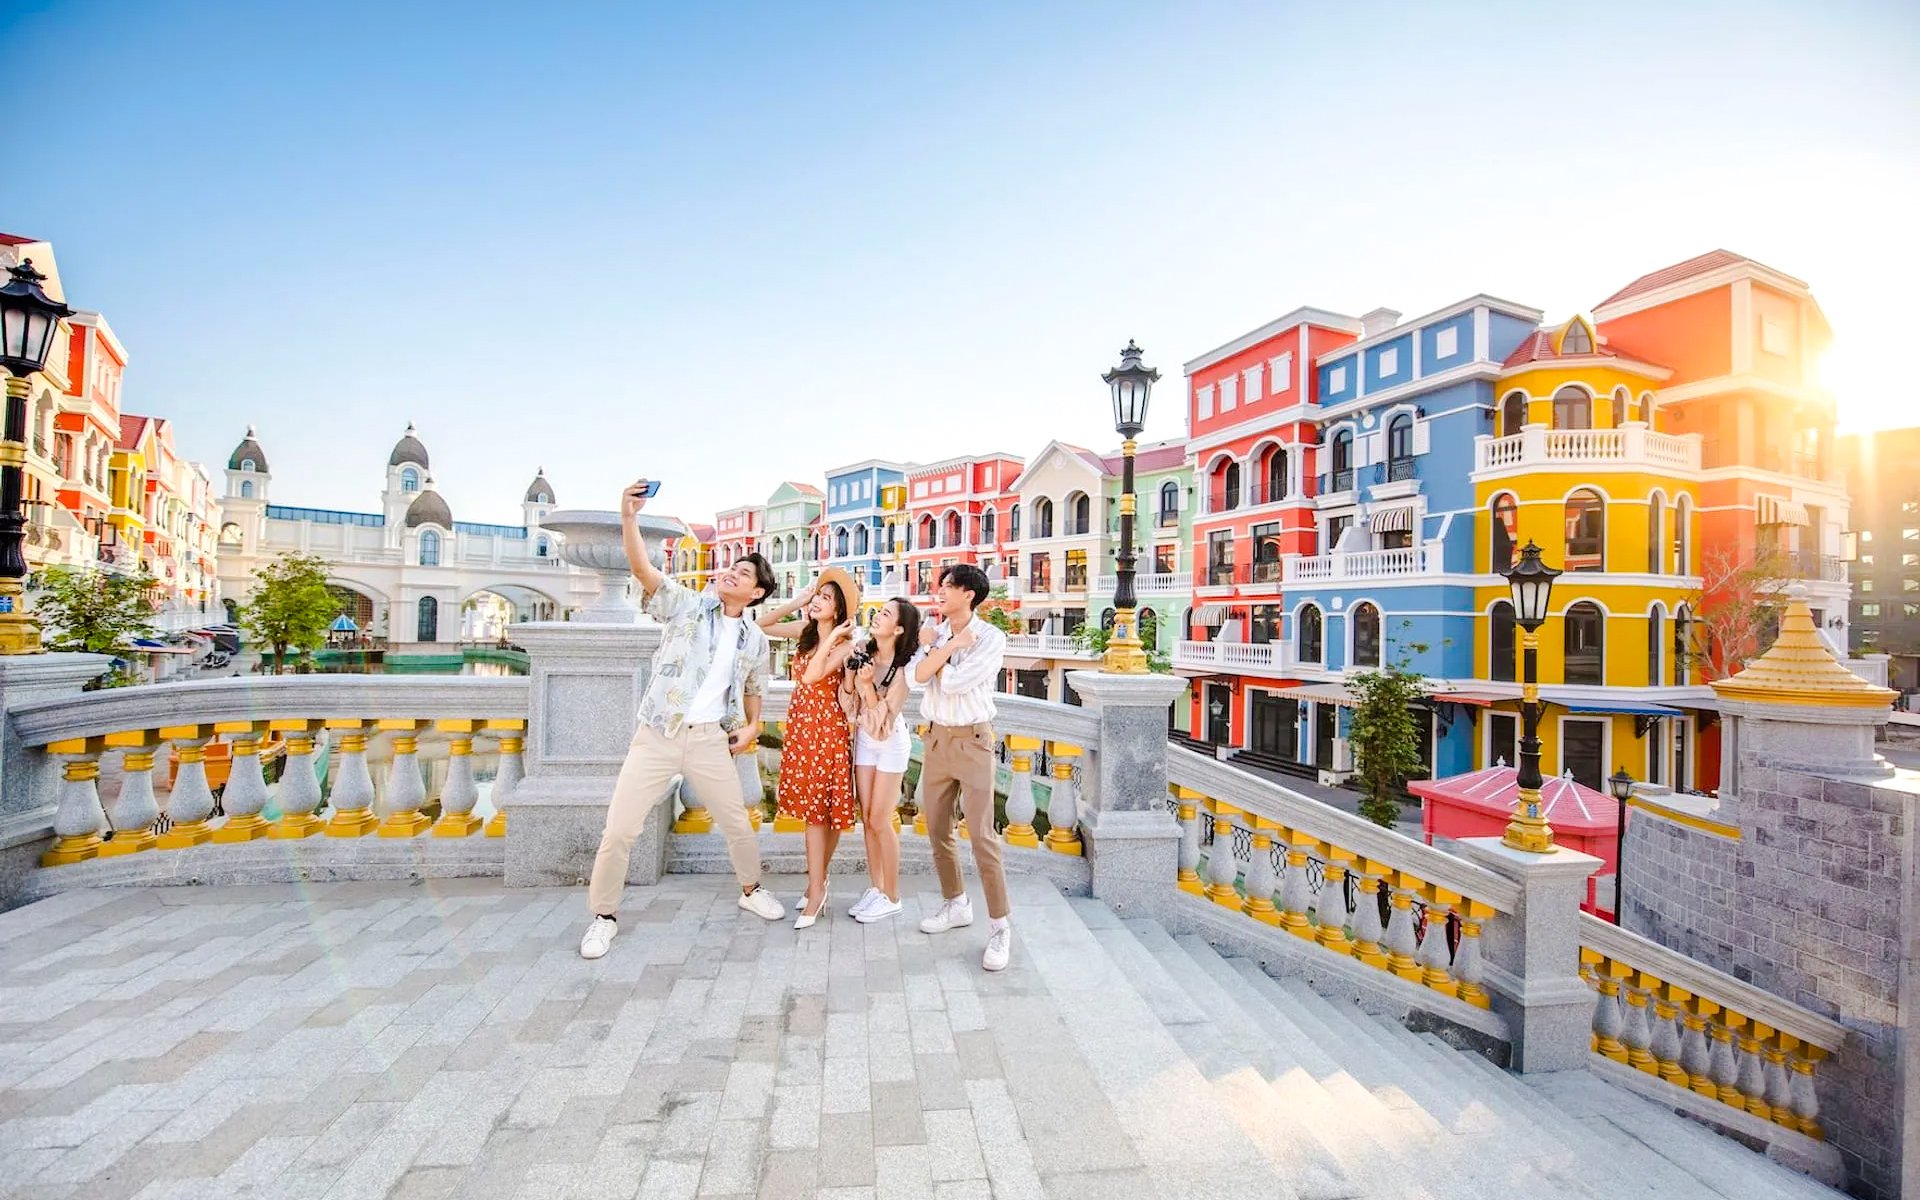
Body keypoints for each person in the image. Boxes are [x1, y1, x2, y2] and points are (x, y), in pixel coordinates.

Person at [579, 478, 784, 962]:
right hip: (657, 735)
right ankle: (603, 917)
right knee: (620, 830)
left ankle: (751, 889)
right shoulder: (688, 606)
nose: (731, 573)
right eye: (731, 567)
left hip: (710, 740)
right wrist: (628, 516)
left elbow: (754, 689)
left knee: (738, 823)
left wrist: (753, 725)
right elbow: (642, 569)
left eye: (742, 573)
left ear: (756, 592)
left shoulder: (755, 640)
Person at [913, 563, 1013, 971]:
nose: (940, 591)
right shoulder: (934, 633)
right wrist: (948, 646)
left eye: (949, 586)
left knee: (982, 836)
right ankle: (956, 903)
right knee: (937, 829)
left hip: (973, 741)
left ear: (969, 594)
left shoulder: (991, 637)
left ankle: (1000, 926)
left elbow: (953, 683)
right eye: (941, 585)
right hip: (936, 738)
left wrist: (936, 652)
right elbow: (919, 676)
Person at [756, 568, 862, 928]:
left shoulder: (844, 645)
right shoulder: (805, 632)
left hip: (827, 729)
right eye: (817, 595)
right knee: (816, 810)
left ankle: (816, 890)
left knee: (823, 812)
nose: (817, 601)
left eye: (825, 598)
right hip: (803, 727)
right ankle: (819, 883)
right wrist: (798, 601)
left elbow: (812, 675)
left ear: (839, 609)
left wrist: (832, 637)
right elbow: (762, 625)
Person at [845, 597, 920, 923]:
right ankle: (876, 888)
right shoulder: (863, 650)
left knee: (880, 819)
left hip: (890, 743)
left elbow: (884, 720)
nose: (877, 616)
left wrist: (866, 685)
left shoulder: (903, 670)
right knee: (867, 818)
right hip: (865, 740)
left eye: (886, 614)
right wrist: (855, 678)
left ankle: (892, 896)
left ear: (899, 629)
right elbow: (849, 694)